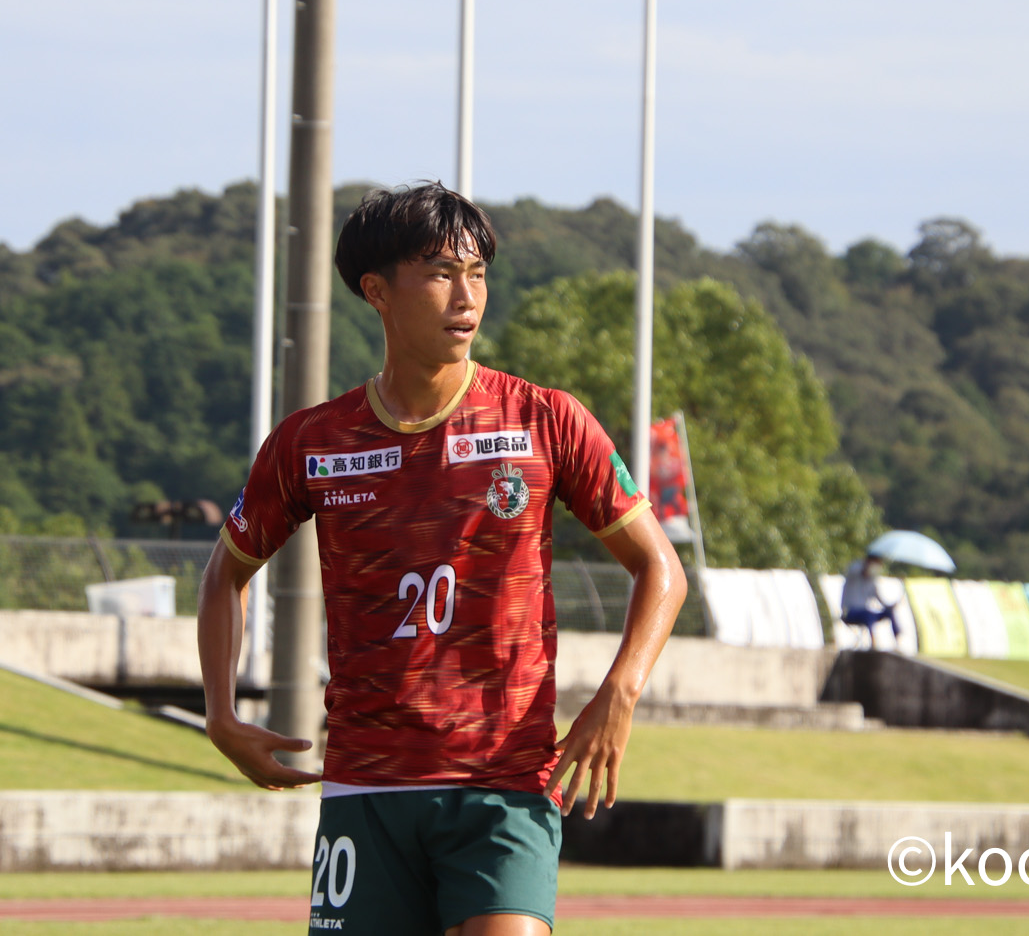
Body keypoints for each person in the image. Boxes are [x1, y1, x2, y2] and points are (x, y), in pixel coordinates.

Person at [196, 182, 687, 936]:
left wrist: (619, 691)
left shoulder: (545, 420)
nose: (468, 296)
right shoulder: (311, 442)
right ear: (377, 291)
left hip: (505, 780)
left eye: (478, 273)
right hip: (367, 788)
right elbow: (225, 573)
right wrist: (220, 715)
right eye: (441, 273)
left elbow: (662, 569)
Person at [840, 554, 903, 649]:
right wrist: (865, 568)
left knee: (888, 612)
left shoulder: (871, 580)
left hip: (864, 612)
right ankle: (873, 645)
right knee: (868, 615)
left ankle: (897, 642)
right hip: (850, 612)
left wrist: (890, 606)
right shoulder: (855, 568)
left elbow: (879, 598)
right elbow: (858, 572)